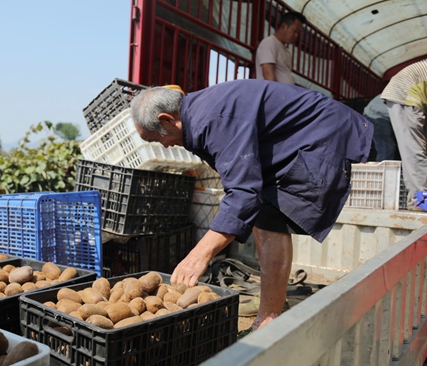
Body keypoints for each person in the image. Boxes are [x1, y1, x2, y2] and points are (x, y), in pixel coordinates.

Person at [130, 80, 373, 330]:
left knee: (267, 217)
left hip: (325, 134)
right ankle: (271, 304)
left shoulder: (213, 120)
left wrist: (199, 254)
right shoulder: (199, 113)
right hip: (303, 136)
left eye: (157, 139)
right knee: (264, 214)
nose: (165, 145)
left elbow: (244, 193)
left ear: (168, 119)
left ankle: (268, 319)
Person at [381, 59, 427, 210]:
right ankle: (420, 199)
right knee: (414, 148)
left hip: (414, 94)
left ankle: (418, 197)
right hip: (405, 93)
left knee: (418, 147)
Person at [255, 11, 306, 85]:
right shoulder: (269, 42)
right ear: (284, 26)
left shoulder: (286, 51)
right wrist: (278, 95)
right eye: (295, 31)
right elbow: (267, 73)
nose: (296, 35)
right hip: (276, 95)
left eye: (298, 33)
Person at [363, 94, 400, 161]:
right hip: (376, 115)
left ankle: (383, 169)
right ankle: (382, 170)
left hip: (375, 114)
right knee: (386, 146)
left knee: (386, 146)